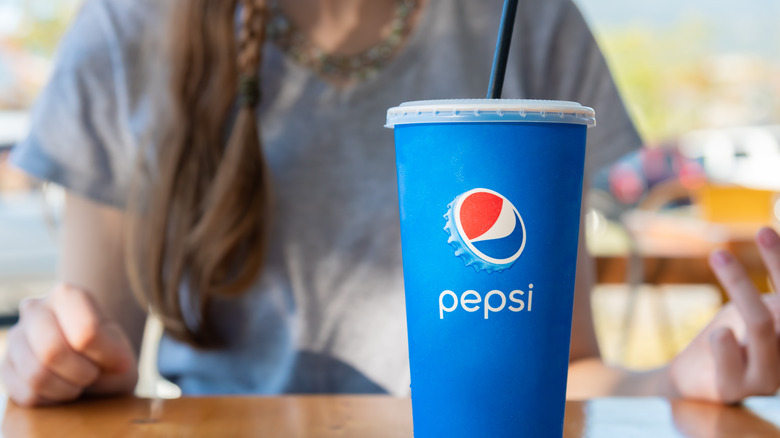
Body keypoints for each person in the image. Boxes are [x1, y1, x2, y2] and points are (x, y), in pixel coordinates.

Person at [3, 0, 779, 407]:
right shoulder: (129, 27)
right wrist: (62, 359)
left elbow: (560, 375)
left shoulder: (532, 19)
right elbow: (94, 361)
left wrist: (681, 379)